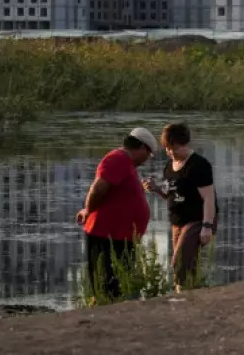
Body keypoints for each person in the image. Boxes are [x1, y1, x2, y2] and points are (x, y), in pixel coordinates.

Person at [76, 127, 157, 301]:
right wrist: (88, 210)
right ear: (142, 148)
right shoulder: (117, 159)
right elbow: (98, 189)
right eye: (148, 154)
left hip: (119, 236)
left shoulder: (125, 162)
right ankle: (104, 309)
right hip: (107, 236)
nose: (146, 160)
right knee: (107, 281)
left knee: (118, 281)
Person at [144, 123, 218, 292]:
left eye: (174, 148)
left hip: (197, 219)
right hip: (177, 221)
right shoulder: (169, 167)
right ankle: (190, 295)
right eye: (167, 148)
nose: (170, 152)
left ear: (185, 143)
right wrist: (156, 188)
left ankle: (181, 295)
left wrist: (207, 226)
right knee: (188, 263)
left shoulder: (199, 165)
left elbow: (209, 198)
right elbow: (171, 195)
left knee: (179, 262)